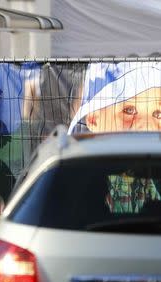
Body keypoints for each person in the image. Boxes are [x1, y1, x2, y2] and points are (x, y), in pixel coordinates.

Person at [68, 62, 161, 213]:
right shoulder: (76, 182)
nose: (147, 126)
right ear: (93, 119)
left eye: (159, 114)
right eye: (129, 110)